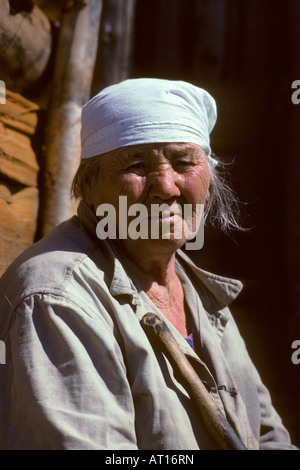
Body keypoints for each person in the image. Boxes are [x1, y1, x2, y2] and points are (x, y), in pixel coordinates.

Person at [0, 78, 297, 450]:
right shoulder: (57, 301)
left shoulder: (195, 290)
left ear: (209, 179)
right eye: (137, 165)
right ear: (89, 186)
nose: (166, 187)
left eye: (183, 162)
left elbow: (266, 436)